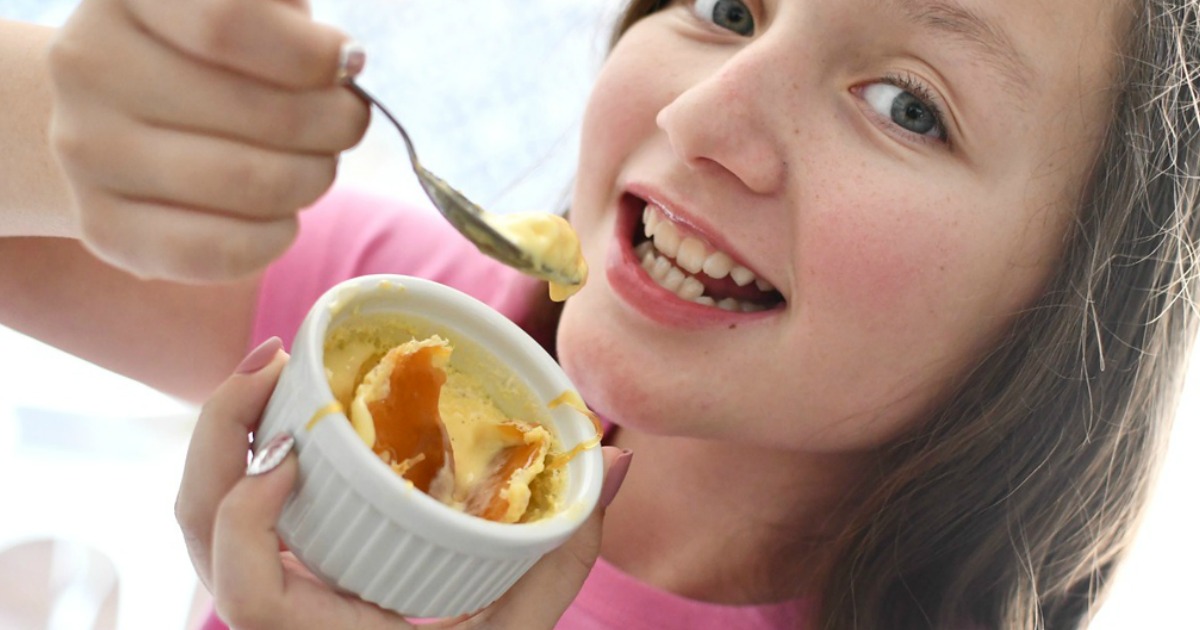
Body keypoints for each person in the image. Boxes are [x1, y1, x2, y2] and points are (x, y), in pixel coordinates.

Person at [1, 0, 1198, 627]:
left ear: (1069, 307)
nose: (703, 119)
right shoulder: (413, 327)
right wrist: (69, 122)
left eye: (907, 105)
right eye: (730, 4)